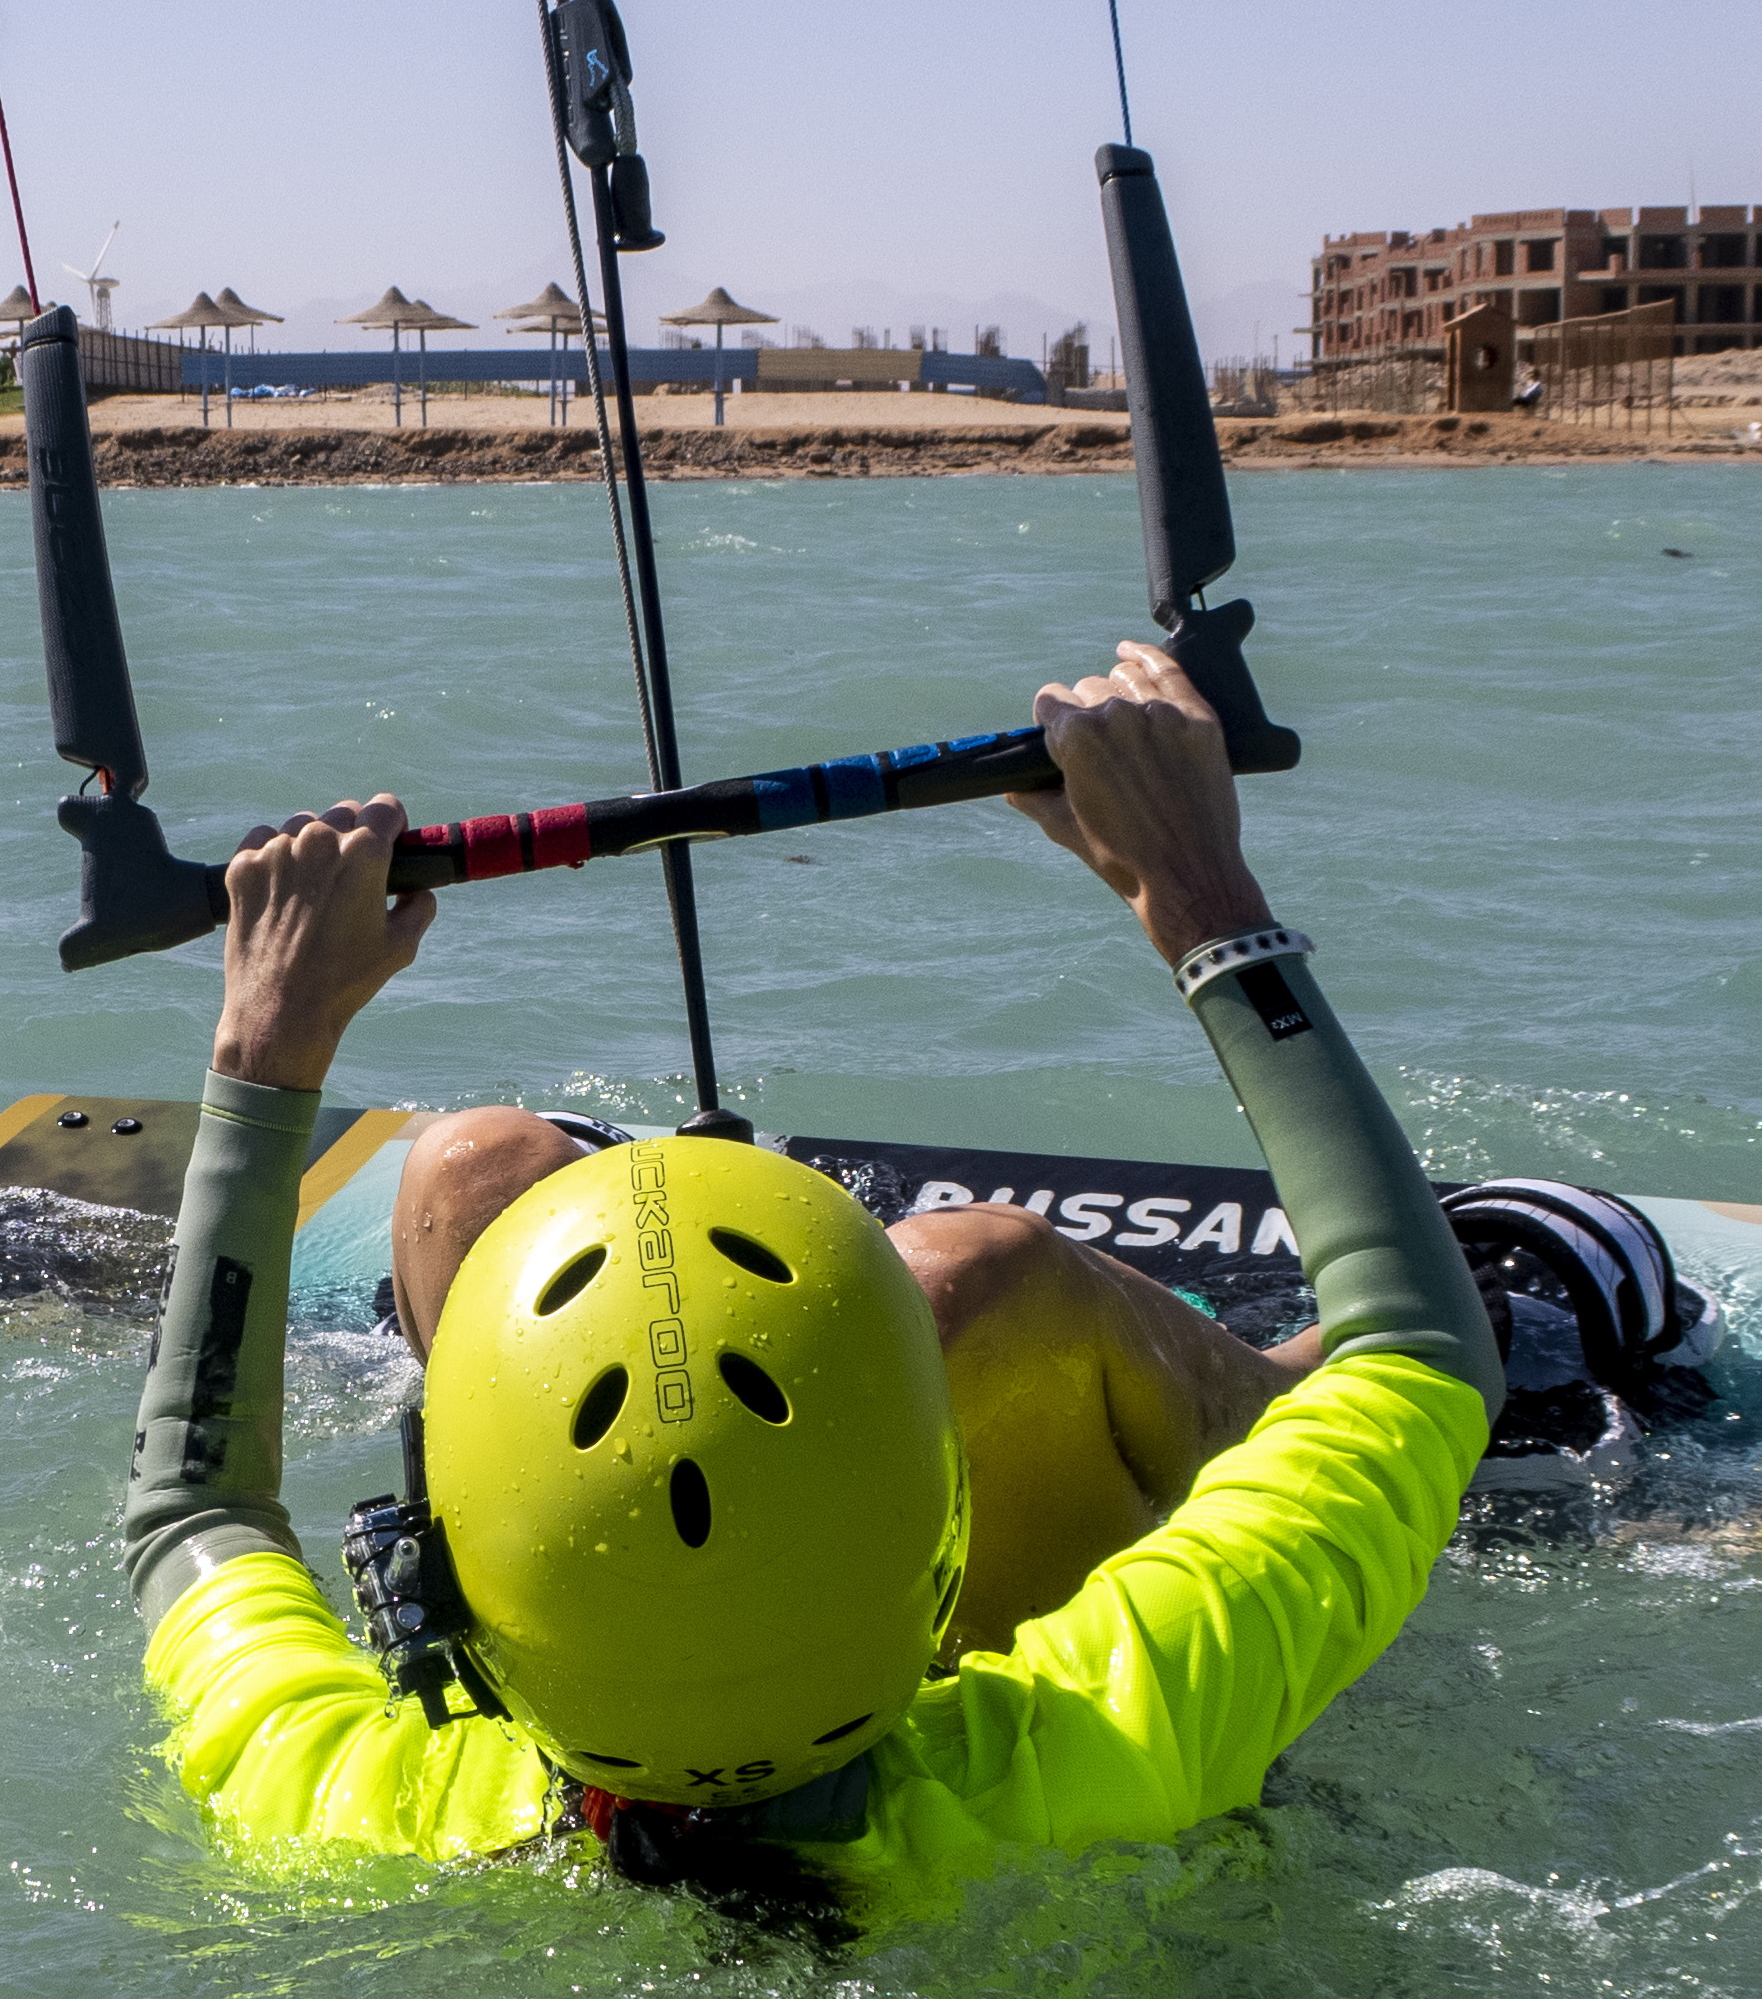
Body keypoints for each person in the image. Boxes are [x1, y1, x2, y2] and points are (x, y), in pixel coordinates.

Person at [116, 637, 1503, 1932]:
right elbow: (1423, 1348)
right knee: (977, 1273)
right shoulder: (1098, 1747)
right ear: (939, 1553)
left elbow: (194, 1506)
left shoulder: (369, 1806)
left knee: (468, 1172)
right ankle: (1251, 1396)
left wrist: (264, 1044)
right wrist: (1197, 895)